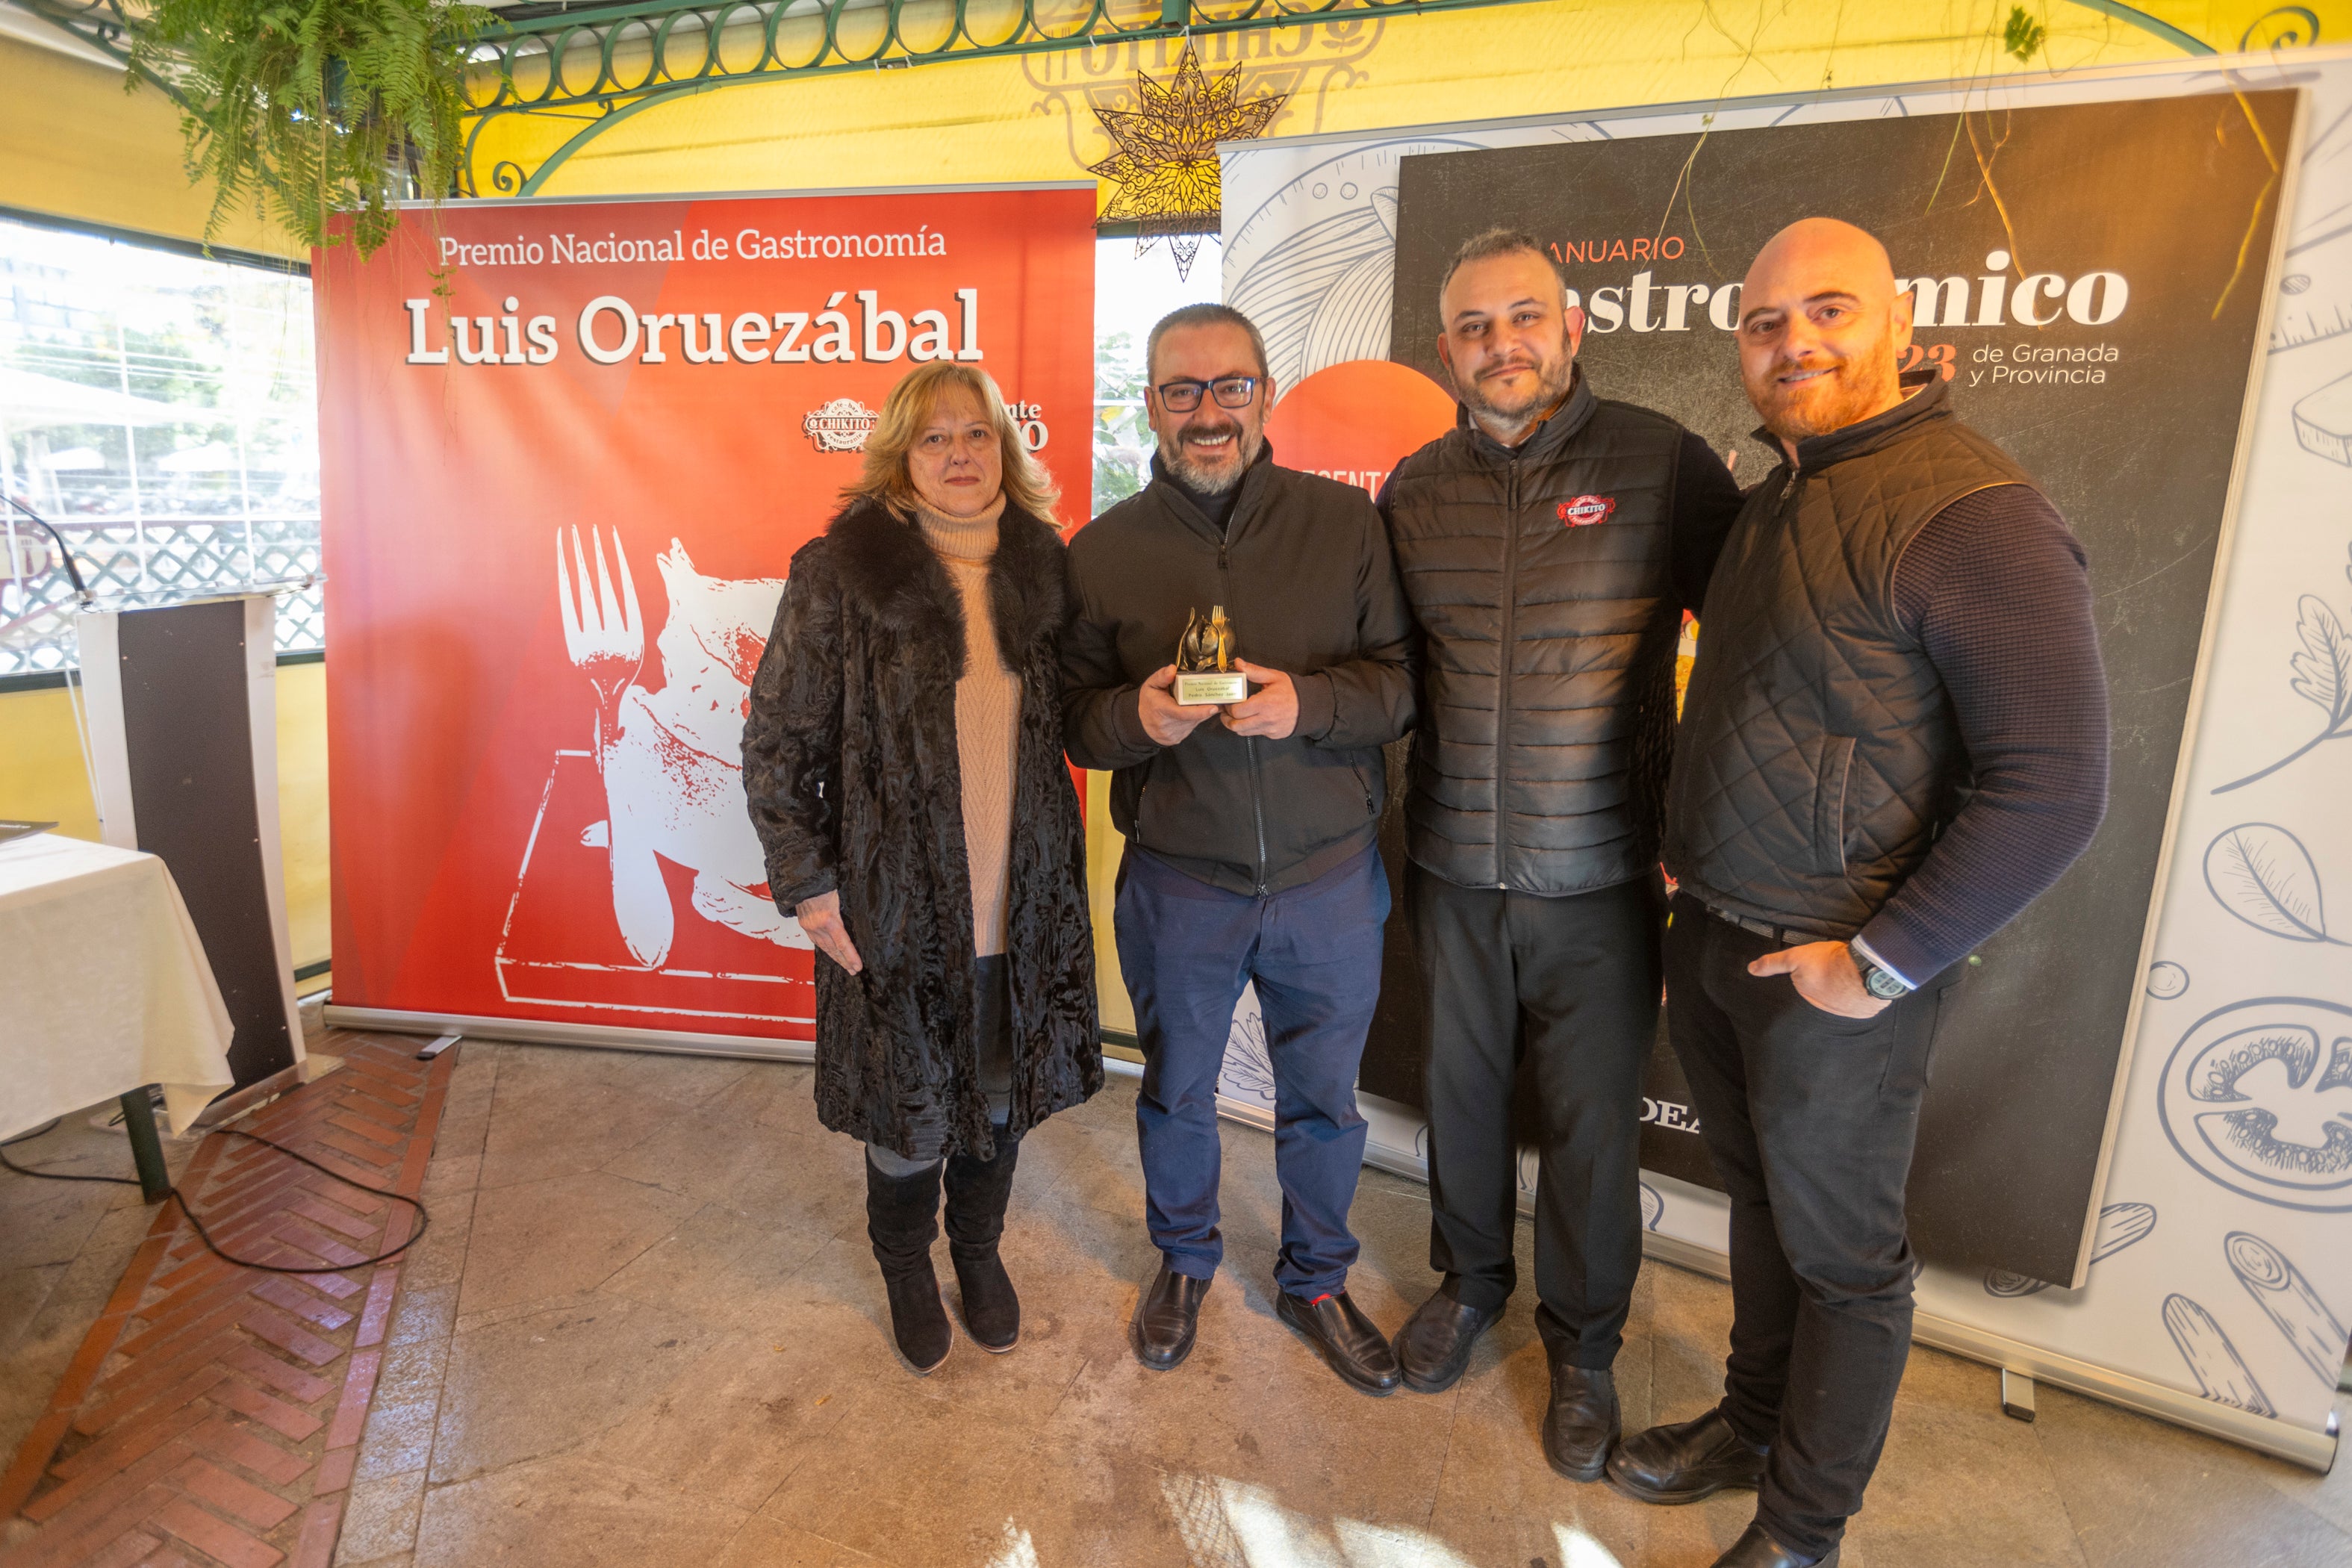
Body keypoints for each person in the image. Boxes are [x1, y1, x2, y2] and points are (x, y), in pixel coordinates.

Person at [1615, 218, 2109, 1568]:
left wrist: (1878, 963)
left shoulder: (1970, 511)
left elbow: (2055, 785)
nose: (1794, 344)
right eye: (1766, 323)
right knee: (1766, 1215)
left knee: (1844, 1261)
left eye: (1826, 312)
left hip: (1840, 976)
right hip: (1719, 935)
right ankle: (1749, 1425)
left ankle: (1802, 1530)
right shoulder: (1780, 490)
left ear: (1900, 327)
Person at [1376, 228, 1745, 1476]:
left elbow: (1758, 649)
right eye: (1476, 328)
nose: (1502, 345)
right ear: (1446, 351)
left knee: (1592, 1135)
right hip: (1451, 869)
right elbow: (1391, 677)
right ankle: (1467, 1286)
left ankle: (1583, 1355)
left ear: (1571, 324)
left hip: (1599, 875)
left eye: (1522, 318)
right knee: (1463, 1105)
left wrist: (1713, 822)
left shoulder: (1663, 463)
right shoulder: (1412, 488)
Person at [1063, 303, 1418, 1393]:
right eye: (1180, 391)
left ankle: (1316, 1277)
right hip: (1181, 881)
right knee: (1175, 1088)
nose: (1206, 414)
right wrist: (1142, 720)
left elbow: (1401, 686)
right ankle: (1183, 1262)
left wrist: (1307, 701)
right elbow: (1074, 718)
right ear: (1151, 406)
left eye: (1228, 388)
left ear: (1263, 394)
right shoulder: (1102, 551)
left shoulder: (1344, 526)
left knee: (1323, 1099)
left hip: (1325, 881)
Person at [742, 360, 1101, 1375]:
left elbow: (1075, 717)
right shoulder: (841, 572)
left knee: (997, 1101)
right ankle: (904, 1261)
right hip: (893, 910)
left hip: (1019, 906)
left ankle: (977, 1252)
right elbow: (778, 741)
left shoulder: (1044, 570)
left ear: (1003, 447)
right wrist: (806, 885)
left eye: (976, 433)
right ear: (900, 453)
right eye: (934, 436)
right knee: (907, 1119)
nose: (957, 453)